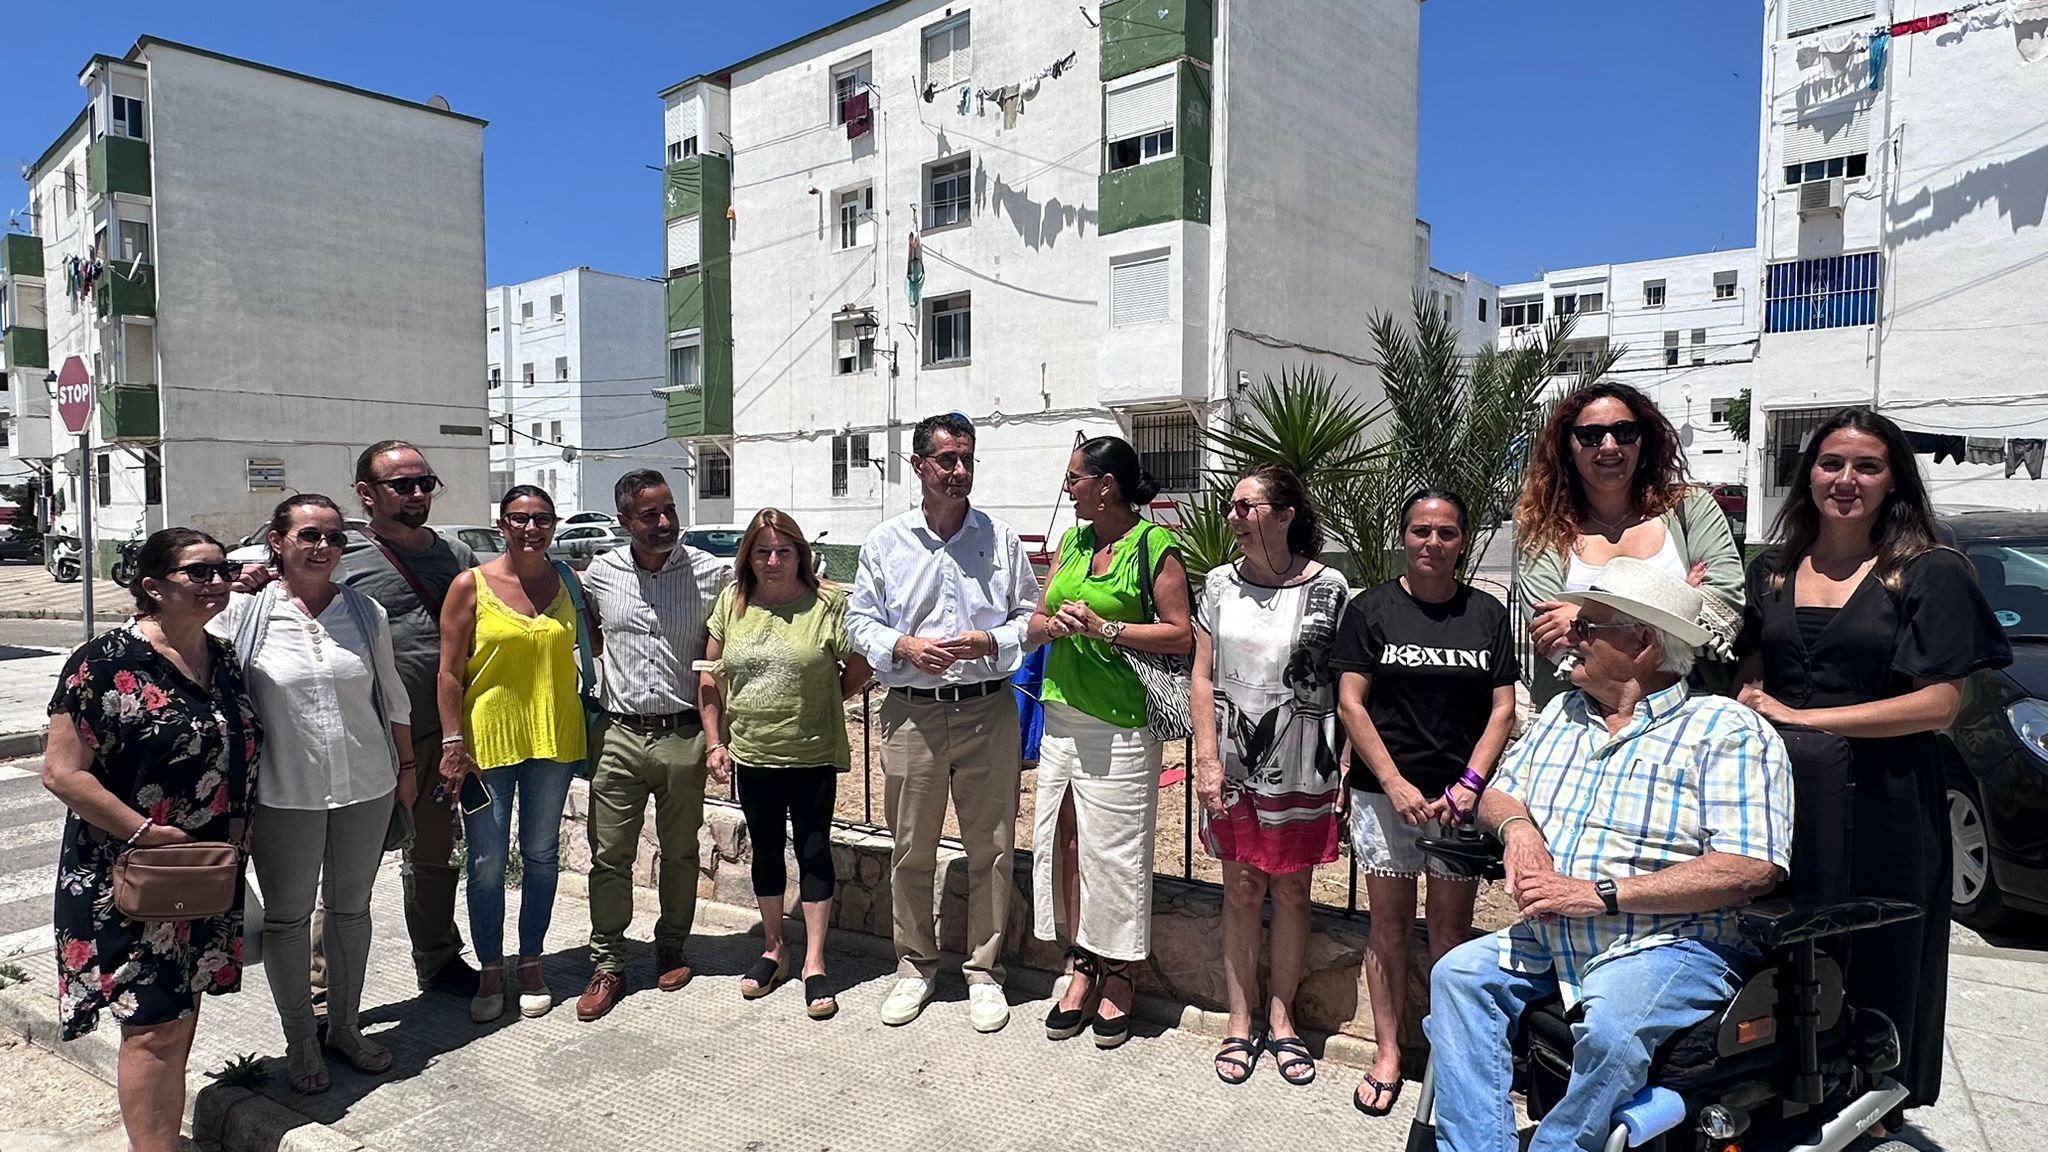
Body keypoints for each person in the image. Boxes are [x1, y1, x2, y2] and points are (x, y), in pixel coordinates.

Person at [1424, 557, 1792, 1152]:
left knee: (1612, 1029)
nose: (1569, 636)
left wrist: (1600, 895)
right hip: (1554, 934)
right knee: (1459, 977)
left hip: (1670, 940)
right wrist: (1518, 829)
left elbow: (1751, 866)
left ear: (1642, 643)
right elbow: (1497, 793)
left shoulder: (1725, 730)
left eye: (1586, 627)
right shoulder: (1564, 715)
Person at [1734, 407, 2010, 1131]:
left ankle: (1875, 1098)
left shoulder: (1929, 571)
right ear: (1808, 474)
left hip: (1887, 795)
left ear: (1894, 481)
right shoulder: (1773, 569)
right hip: (1787, 791)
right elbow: (1752, 668)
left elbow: (1939, 705)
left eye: (1867, 466)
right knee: (1790, 940)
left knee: (1882, 945)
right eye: (1831, 463)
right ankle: (1788, 1083)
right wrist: (1750, 699)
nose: (1846, 480)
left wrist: (1805, 719)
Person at [42, 529, 261, 1152]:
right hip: (129, 870)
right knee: (153, 1026)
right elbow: (61, 772)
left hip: (203, 867)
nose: (217, 582)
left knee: (179, 1016)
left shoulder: (223, 658)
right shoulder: (103, 664)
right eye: (200, 572)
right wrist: (144, 831)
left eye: (223, 570)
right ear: (153, 586)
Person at [209, 495, 412, 1093]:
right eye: (309, 535)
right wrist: (227, 587)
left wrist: (406, 766)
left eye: (334, 536)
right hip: (282, 790)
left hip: (366, 783)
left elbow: (392, 695)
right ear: (277, 542)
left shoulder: (365, 611)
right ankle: (300, 1039)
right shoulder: (242, 612)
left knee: (351, 910)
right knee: (288, 919)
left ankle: (344, 1027)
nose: (323, 547)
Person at [847, 413, 1041, 1033]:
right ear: (918, 466)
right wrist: (903, 647)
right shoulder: (885, 542)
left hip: (988, 709)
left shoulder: (1000, 539)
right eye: (946, 460)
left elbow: (1030, 616)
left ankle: (984, 972)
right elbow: (859, 621)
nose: (959, 471)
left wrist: (990, 640)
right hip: (913, 714)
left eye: (967, 459)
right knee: (911, 849)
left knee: (993, 847)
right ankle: (914, 967)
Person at [1331, 489, 1518, 1115]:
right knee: (1387, 927)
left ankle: (1447, 1060)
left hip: (1458, 803)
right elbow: (1351, 702)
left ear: (1463, 541)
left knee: (1449, 932)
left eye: (1446, 533)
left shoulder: (1487, 613)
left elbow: (1502, 709)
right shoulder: (1371, 609)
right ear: (1404, 537)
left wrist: (1469, 784)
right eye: (1420, 531)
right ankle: (1388, 1051)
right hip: (1386, 797)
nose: (1432, 543)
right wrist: (1393, 783)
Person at [1029, 435, 1193, 1050]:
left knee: (1117, 853)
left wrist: (1108, 628)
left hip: (1122, 724)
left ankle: (1120, 971)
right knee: (1067, 842)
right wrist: (1055, 624)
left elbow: (1181, 634)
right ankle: (1082, 962)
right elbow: (1038, 619)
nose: (1067, 488)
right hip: (1062, 716)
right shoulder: (1073, 542)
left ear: (1106, 486)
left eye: (1075, 478)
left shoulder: (1154, 546)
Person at [1190, 465, 1349, 1086]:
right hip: (1232, 760)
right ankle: (1239, 1020)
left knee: (1292, 891)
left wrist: (1347, 768)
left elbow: (1346, 683)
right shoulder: (1218, 584)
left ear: (1285, 516)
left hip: (1305, 763)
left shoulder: (1330, 587)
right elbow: (1202, 675)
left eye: (1245, 507)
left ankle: (1282, 1021)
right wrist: (1206, 760)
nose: (1233, 516)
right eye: (1231, 506)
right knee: (1239, 888)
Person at [699, 509, 871, 1019]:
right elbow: (710, 674)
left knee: (814, 851)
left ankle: (814, 961)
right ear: (748, 557)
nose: (773, 561)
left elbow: (859, 664)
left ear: (800, 554)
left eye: (783, 551)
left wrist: (827, 699)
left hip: (811, 752)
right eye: (762, 552)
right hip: (753, 753)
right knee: (766, 851)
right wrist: (715, 741)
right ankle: (775, 949)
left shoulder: (828, 604)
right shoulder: (732, 602)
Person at [573, 470, 731, 1022]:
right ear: (624, 521)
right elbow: (589, 632)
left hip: (684, 734)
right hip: (618, 734)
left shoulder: (712, 574)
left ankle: (671, 946)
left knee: (681, 850)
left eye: (669, 510)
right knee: (609, 855)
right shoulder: (601, 573)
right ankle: (607, 963)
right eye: (649, 515)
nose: (665, 522)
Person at [437, 485, 589, 1023]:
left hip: (554, 738)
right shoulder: (470, 585)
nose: (531, 528)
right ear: (502, 525)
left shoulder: (568, 581)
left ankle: (530, 962)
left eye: (542, 519)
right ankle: (490, 968)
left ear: (554, 525)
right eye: (520, 518)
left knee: (542, 854)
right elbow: (449, 672)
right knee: (486, 862)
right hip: (486, 744)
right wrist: (452, 742)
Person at [341, 440, 482, 1000]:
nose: (418, 493)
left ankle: (439, 960)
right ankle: (326, 995)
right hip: (368, 739)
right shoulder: (342, 554)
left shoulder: (456, 555)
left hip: (440, 736)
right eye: (403, 485)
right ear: (366, 493)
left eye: (426, 482)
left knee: (433, 856)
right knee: (348, 870)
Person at [1515, 382, 1743, 708]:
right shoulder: (1544, 527)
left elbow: (1723, 601)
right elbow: (1550, 629)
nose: (1609, 446)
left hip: (1689, 709)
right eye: (1591, 436)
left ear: (1642, 439)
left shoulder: (1691, 508)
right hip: (1576, 715)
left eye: (1624, 432)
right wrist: (1677, 606)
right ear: (1568, 446)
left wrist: (1584, 621)